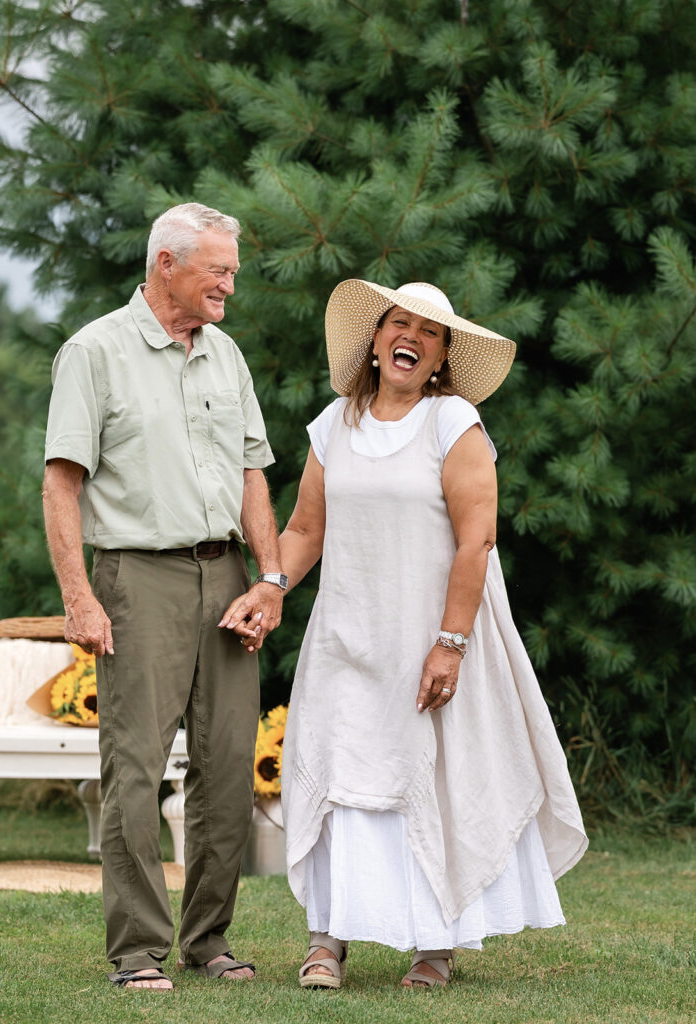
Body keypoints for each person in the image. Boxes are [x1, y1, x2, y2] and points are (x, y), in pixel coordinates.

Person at [277, 279, 588, 990]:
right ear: (375, 338)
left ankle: (434, 945)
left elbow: (476, 542)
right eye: (396, 323)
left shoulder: (453, 424)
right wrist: (269, 589)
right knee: (340, 776)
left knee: (435, 778)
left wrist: (449, 644)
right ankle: (326, 941)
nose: (408, 337)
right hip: (347, 637)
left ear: (442, 352)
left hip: (434, 636)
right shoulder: (333, 425)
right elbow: (303, 530)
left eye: (428, 330)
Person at [42, 203, 286, 991]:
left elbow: (253, 475)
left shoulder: (226, 356)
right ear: (166, 265)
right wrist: (80, 598)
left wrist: (270, 579)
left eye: (233, 273)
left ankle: (208, 942)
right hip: (135, 579)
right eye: (218, 271)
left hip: (225, 579)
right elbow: (61, 485)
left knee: (224, 770)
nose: (229, 287)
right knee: (136, 770)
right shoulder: (94, 352)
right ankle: (137, 950)